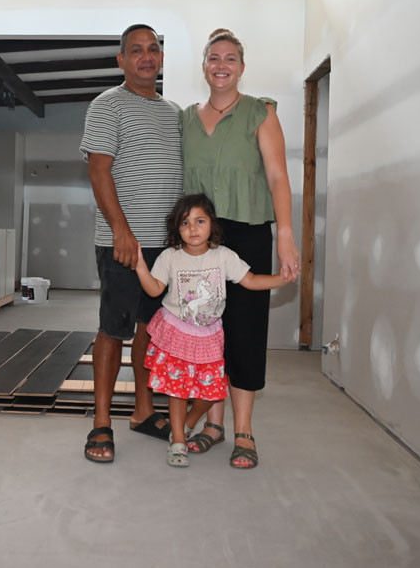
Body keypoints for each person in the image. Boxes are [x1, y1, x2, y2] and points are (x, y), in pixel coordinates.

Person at [180, 28, 301, 469]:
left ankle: (243, 430)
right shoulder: (185, 119)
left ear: (242, 68)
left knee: (246, 332)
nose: (222, 65)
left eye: (230, 58)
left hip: (248, 233)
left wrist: (285, 233)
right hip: (200, 238)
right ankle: (213, 425)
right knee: (205, 329)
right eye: (214, 58)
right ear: (204, 66)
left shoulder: (260, 113)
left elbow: (277, 178)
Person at [78, 24, 184, 463]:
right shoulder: (107, 105)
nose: (146, 56)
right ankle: (101, 422)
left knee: (151, 329)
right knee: (113, 328)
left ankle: (143, 411)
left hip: (168, 247)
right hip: (124, 243)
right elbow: (99, 170)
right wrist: (122, 231)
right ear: (121, 60)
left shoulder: (175, 111)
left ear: (161, 58)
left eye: (153, 49)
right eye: (135, 50)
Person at [134, 194, 288, 467]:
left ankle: (190, 423)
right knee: (178, 391)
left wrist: (281, 279)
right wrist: (139, 266)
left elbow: (250, 280)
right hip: (177, 332)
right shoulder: (170, 257)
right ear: (176, 229)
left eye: (200, 221)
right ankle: (178, 440)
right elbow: (155, 289)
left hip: (208, 335)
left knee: (212, 390)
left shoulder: (224, 256)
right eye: (185, 223)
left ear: (212, 225)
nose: (193, 228)